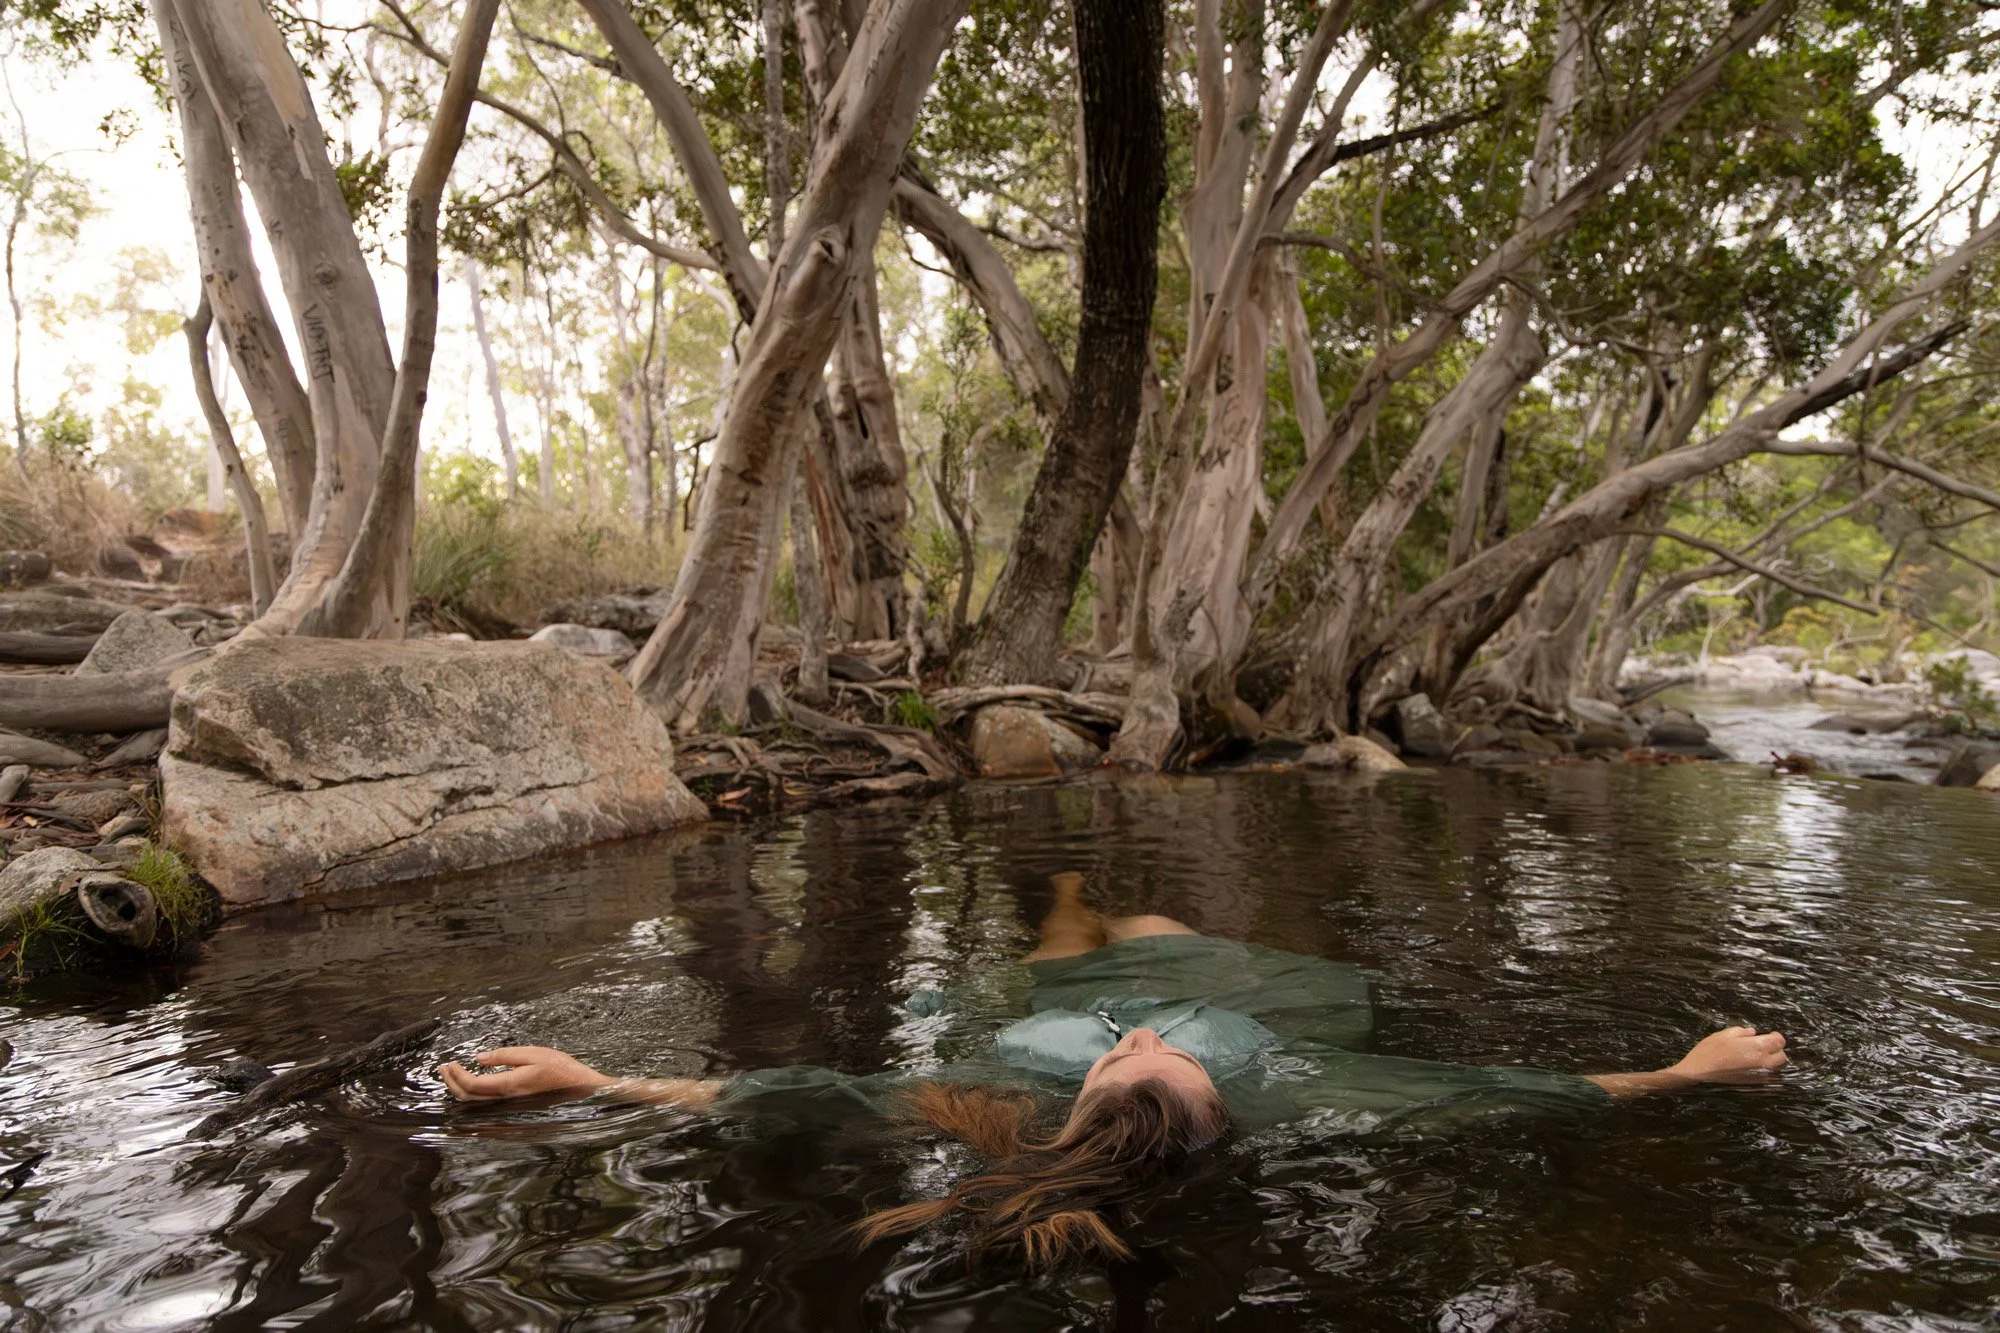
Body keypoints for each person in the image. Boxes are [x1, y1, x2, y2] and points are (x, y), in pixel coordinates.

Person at [438, 872, 1789, 1266]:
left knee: (1101, 943)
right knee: (1175, 940)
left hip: (1036, 1012)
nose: (1152, 1056)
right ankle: (1091, 909)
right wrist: (1687, 1071)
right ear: (1231, 1117)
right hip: (1239, 996)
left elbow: (766, 1095)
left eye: (1134, 1067)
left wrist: (590, 1080)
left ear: (1080, 1101)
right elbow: (1510, 1091)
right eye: (1171, 1065)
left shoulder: (998, 1104)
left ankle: (1071, 909)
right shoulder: (1299, 1093)